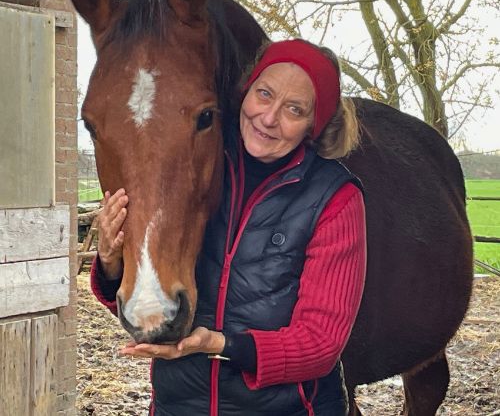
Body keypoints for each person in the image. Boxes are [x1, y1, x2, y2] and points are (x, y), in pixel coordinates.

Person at [92, 39, 367, 416]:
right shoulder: (198, 167)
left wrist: (220, 345)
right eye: (264, 94)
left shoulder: (335, 198)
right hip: (180, 406)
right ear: (245, 93)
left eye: (294, 109)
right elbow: (150, 301)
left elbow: (320, 345)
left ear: (313, 126)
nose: (269, 118)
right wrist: (111, 263)